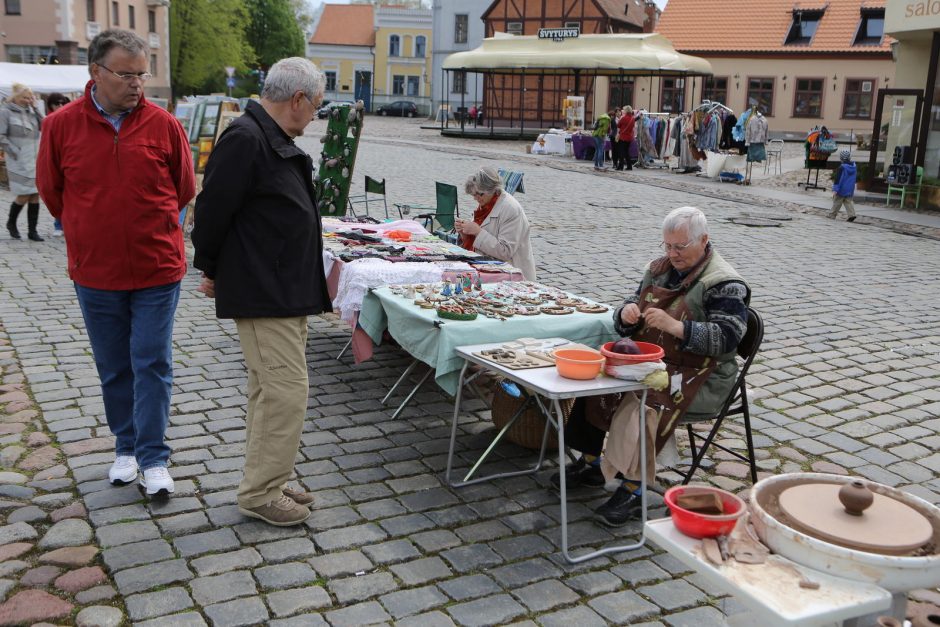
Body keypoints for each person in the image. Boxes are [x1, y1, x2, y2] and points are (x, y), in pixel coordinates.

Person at [36, 29, 195, 498]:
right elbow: (52, 193)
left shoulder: (163, 124)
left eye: (142, 74)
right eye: (126, 74)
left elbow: (184, 187)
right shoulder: (61, 126)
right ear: (96, 73)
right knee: (113, 366)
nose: (136, 84)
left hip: (157, 269)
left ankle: (154, 457)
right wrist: (92, 231)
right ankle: (125, 448)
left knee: (151, 362)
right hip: (96, 272)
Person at [192, 57, 331, 527]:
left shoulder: (267, 137)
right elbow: (211, 212)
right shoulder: (247, 139)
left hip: (282, 287)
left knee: (268, 392)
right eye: (316, 106)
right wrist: (211, 267)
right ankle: (260, 492)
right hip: (264, 288)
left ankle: (271, 475)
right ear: (297, 100)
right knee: (285, 392)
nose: (315, 116)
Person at [552, 207, 749, 527]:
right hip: (654, 360)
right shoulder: (658, 270)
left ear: (704, 240)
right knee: (599, 378)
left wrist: (678, 328)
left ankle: (634, 488)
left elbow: (728, 339)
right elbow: (627, 310)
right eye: (667, 246)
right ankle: (591, 462)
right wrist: (626, 314)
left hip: (703, 375)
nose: (672, 254)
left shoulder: (725, 282)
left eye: (680, 247)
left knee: (646, 400)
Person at [454, 166, 537, 281]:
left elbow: (505, 251)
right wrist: (465, 233)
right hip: (489, 269)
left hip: (511, 275)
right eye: (474, 195)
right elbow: (478, 240)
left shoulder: (510, 209)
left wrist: (478, 232)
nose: (476, 198)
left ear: (492, 190)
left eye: (480, 194)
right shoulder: (487, 203)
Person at [1, 83, 44, 241]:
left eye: (30, 97)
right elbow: (1, 136)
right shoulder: (5, 112)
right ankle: (11, 223)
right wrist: (14, 152)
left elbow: (46, 125)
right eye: (25, 97)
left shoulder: (32, 112)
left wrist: (36, 108)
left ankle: (32, 231)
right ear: (16, 97)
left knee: (35, 194)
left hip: (34, 159)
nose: (28, 100)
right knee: (24, 195)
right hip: (18, 160)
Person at [44, 93, 71, 237]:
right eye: (56, 104)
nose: (60, 106)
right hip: (57, 160)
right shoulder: (50, 120)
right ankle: (58, 223)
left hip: (70, 160)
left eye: (62, 103)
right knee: (57, 190)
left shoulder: (72, 117)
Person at [829, 149, 857, 222]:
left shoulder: (841, 168)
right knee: (849, 202)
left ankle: (832, 215)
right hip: (850, 188)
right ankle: (852, 214)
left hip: (841, 189)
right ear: (849, 158)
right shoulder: (854, 167)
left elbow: (838, 179)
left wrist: (835, 189)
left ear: (841, 158)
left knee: (837, 202)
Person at [616, 106, 637, 171]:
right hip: (629, 138)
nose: (623, 111)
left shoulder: (623, 118)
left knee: (621, 152)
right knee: (626, 152)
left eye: (624, 110)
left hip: (622, 137)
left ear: (626, 111)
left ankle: (620, 166)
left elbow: (618, 125)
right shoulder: (632, 119)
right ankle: (629, 166)